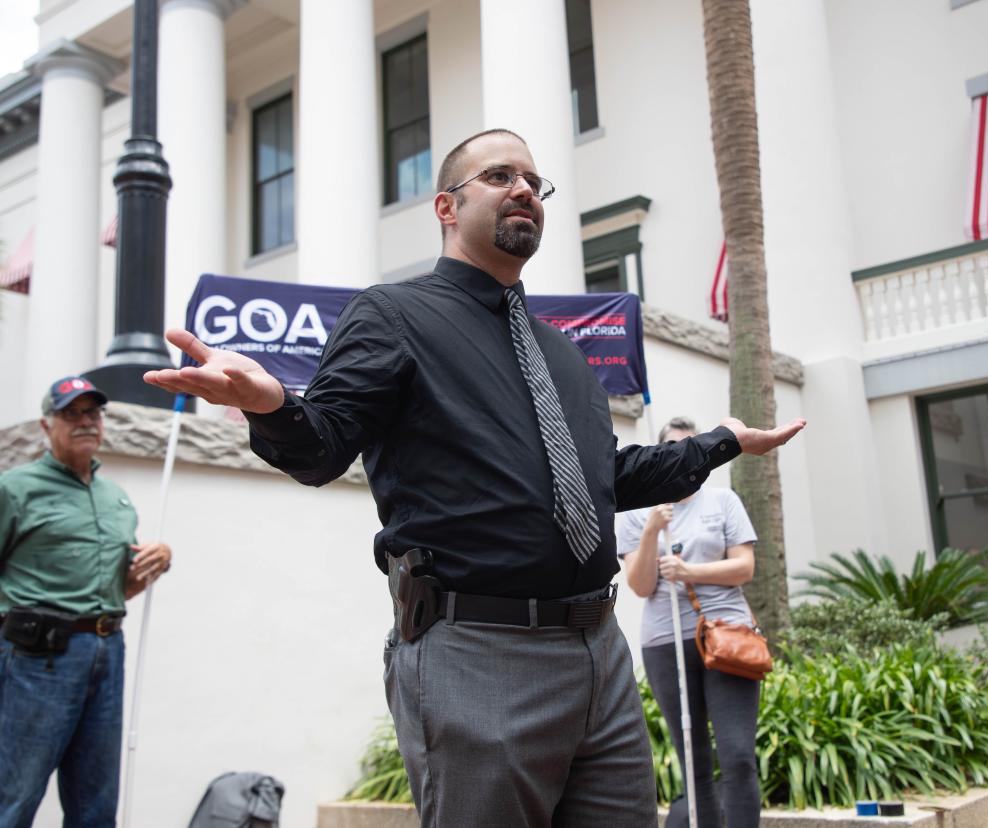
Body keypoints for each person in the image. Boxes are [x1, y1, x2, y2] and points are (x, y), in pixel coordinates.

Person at [143, 128, 805, 827]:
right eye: (498, 175)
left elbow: (603, 478)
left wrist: (720, 442)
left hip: (600, 656)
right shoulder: (392, 315)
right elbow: (323, 447)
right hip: (476, 653)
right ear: (446, 207)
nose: (524, 188)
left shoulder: (563, 354)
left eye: (533, 180)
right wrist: (272, 404)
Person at [0, 376, 173, 828]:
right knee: (14, 796)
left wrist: (159, 560)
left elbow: (120, 587)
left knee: (96, 803)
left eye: (92, 413)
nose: (84, 422)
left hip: (106, 650)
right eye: (70, 414)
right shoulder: (14, 489)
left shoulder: (115, 498)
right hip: (36, 658)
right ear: (45, 425)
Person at [618, 416, 763, 828]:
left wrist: (690, 572)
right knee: (693, 758)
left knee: (736, 756)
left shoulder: (723, 502)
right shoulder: (638, 512)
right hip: (665, 641)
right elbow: (641, 586)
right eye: (673, 449)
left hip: (725, 636)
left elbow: (744, 568)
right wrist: (650, 531)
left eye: (690, 447)